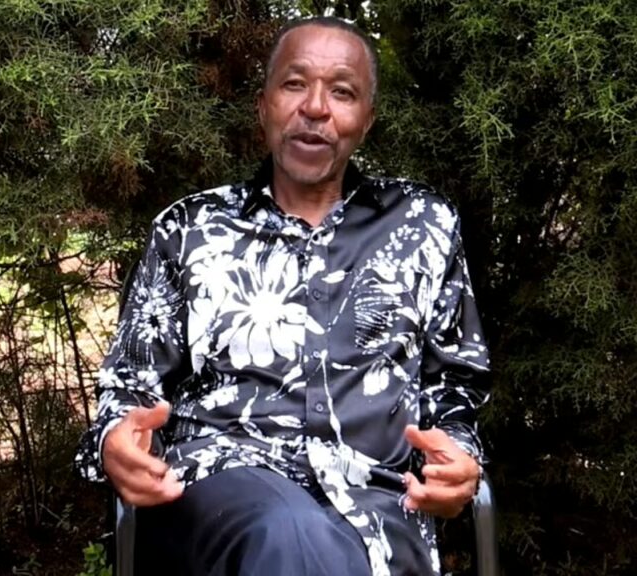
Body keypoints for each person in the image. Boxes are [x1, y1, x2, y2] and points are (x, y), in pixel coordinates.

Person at [74, 15, 490, 576]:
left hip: (378, 505)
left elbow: (455, 384)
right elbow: (128, 388)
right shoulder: (190, 229)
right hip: (219, 495)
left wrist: (460, 457)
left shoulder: (424, 226)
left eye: (342, 92)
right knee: (285, 532)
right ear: (264, 105)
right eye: (295, 84)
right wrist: (115, 442)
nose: (315, 107)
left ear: (366, 119)